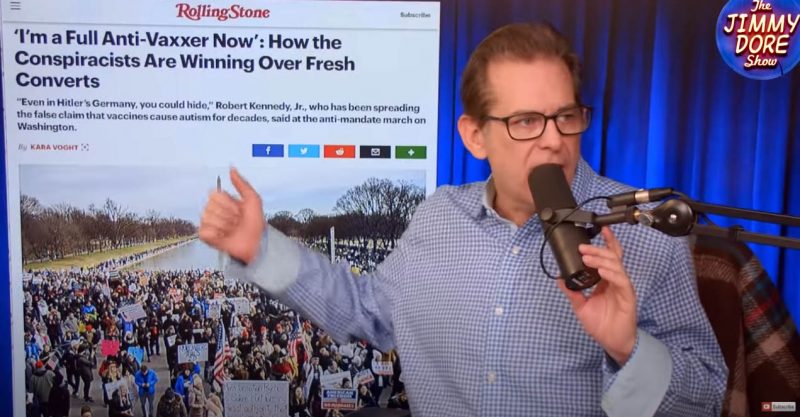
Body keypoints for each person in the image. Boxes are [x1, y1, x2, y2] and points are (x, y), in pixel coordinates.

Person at [199, 22, 728, 417]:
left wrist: (628, 349)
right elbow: (369, 311)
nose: (553, 139)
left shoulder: (646, 231)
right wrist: (260, 247)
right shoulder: (439, 217)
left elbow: (706, 398)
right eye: (526, 121)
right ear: (475, 136)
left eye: (566, 116)